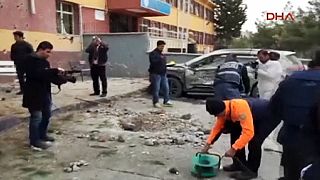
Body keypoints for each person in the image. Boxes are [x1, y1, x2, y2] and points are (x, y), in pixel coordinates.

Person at [269, 49, 320, 180]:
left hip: (291, 138)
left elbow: (274, 108)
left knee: (291, 173)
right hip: (314, 145)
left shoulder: (291, 80)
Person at [23, 41, 66, 150]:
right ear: (41, 49)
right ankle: (35, 141)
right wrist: (54, 70)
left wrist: (62, 79)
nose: (49, 54)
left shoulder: (45, 62)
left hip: (45, 93)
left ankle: (42, 135)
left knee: (46, 115)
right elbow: (36, 74)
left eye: (50, 52)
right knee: (36, 117)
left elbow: (47, 76)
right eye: (47, 52)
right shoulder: (30, 60)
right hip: (33, 94)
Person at [202, 98, 255, 178]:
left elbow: (249, 132)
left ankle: (251, 171)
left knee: (255, 142)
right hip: (245, 117)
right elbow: (217, 128)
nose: (217, 117)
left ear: (222, 111)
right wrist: (208, 144)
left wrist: (233, 149)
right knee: (235, 136)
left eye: (218, 115)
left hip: (262, 116)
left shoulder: (239, 109)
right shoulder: (222, 110)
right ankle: (238, 165)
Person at [149, 40, 173, 108]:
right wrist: (160, 58)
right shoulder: (153, 53)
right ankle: (156, 102)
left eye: (163, 46)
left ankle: (166, 101)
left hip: (163, 74)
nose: (162, 48)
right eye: (161, 46)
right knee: (156, 89)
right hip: (155, 74)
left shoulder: (162, 54)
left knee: (166, 88)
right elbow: (153, 62)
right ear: (158, 46)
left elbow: (163, 63)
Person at [10, 31, 34, 95]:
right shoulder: (14, 46)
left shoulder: (27, 45)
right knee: (20, 78)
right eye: (14, 36)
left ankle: (30, 89)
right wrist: (15, 60)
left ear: (20, 37)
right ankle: (22, 90)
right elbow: (12, 55)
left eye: (16, 36)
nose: (15, 38)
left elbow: (32, 54)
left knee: (29, 77)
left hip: (27, 64)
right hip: (18, 64)